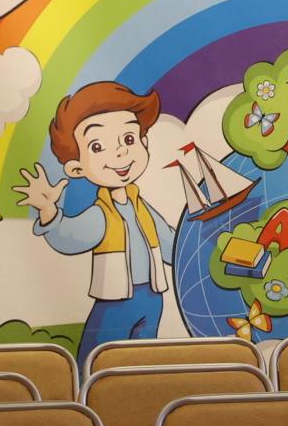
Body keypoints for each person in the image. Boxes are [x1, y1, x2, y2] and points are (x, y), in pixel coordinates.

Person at [18, 80, 173, 359]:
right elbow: (70, 238)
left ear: (144, 142)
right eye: (98, 146)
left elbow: (171, 242)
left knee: (143, 360)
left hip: (152, 297)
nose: (120, 153)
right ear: (76, 168)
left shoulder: (142, 209)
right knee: (97, 358)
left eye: (129, 139)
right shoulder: (101, 215)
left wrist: (201, 240)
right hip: (114, 300)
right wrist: (49, 211)